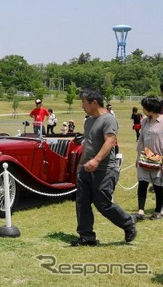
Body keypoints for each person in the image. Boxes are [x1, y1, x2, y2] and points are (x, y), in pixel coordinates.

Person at [71, 89, 136, 246]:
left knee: (103, 204)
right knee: (82, 202)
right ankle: (86, 236)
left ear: (94, 103)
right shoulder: (89, 121)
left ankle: (128, 223)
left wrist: (96, 160)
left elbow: (110, 141)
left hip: (104, 169)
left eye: (84, 102)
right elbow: (87, 145)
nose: (82, 106)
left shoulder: (108, 119)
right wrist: (81, 164)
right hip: (86, 169)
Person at [134, 96, 163, 221]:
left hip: (159, 159)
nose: (143, 110)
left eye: (145, 107)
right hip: (144, 157)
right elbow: (141, 139)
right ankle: (141, 210)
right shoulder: (144, 121)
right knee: (142, 184)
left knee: (158, 187)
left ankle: (157, 211)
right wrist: (137, 156)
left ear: (151, 109)